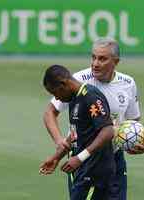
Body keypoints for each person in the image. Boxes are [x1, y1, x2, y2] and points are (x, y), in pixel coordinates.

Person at [41, 38, 144, 199]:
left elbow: (133, 122)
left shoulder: (128, 84)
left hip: (114, 158)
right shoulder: (77, 81)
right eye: (93, 57)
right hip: (84, 160)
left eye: (102, 58)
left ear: (116, 61)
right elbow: (50, 112)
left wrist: (142, 142)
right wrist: (60, 143)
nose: (95, 63)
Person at [39, 64, 116, 200]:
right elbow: (76, 135)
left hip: (94, 172)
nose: (56, 98)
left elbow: (108, 130)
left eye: (55, 93)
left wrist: (80, 158)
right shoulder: (75, 99)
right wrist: (57, 157)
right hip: (83, 171)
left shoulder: (90, 96)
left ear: (64, 83)